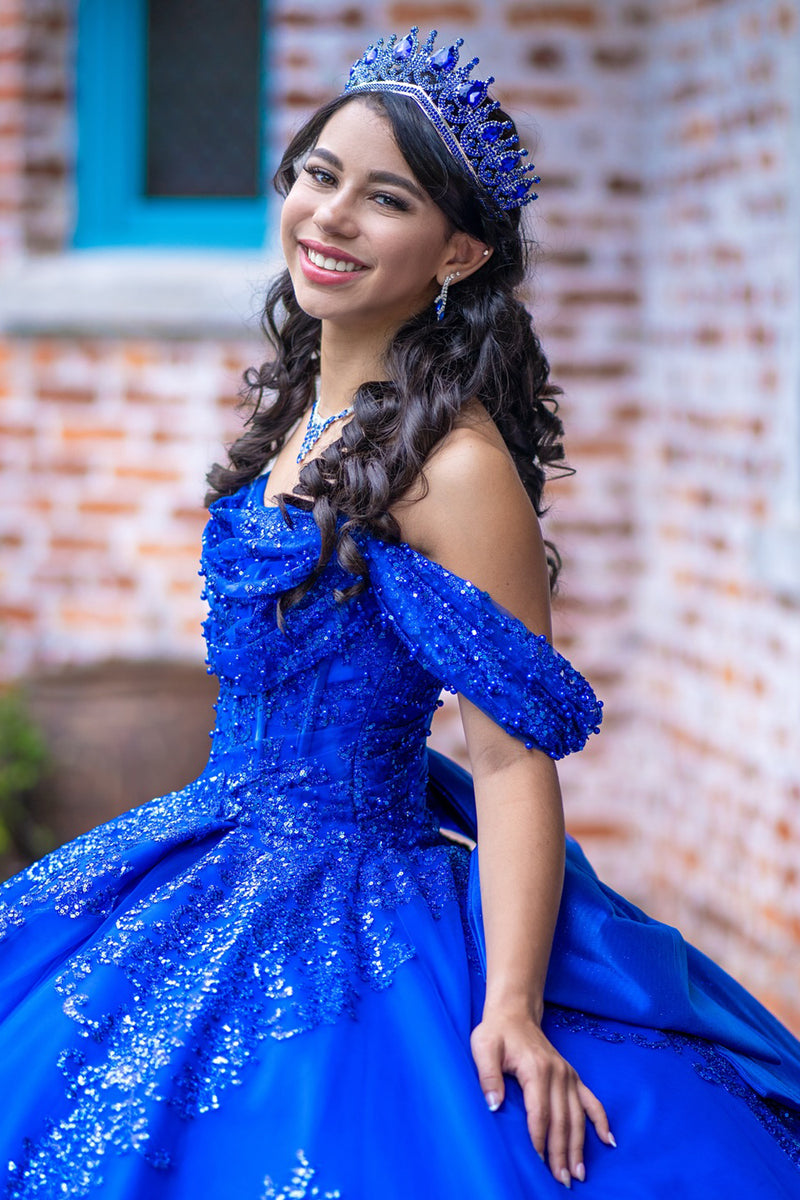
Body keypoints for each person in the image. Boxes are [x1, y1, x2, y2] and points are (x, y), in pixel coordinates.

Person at [1, 27, 799, 1199]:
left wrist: (513, 1008)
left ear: (457, 252)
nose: (329, 217)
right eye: (319, 176)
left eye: (383, 199)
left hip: (359, 884)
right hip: (217, 843)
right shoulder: (298, 413)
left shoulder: (454, 465)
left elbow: (515, 765)